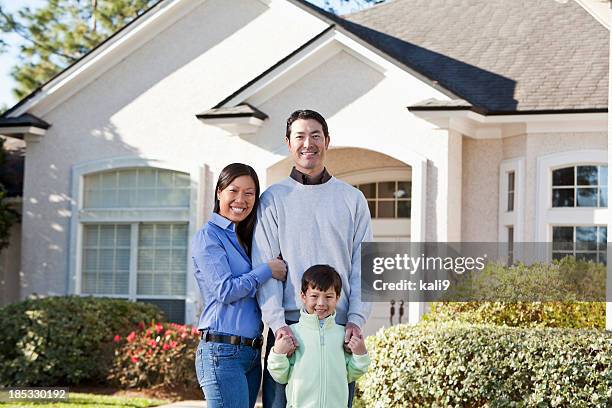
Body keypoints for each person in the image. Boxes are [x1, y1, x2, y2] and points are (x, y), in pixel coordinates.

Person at [252, 110, 373, 408]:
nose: (309, 143)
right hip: (290, 328)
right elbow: (264, 266)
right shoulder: (273, 199)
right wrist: (278, 324)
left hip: (339, 326)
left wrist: (356, 320)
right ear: (288, 143)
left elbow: (365, 267)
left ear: (327, 141)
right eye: (300, 136)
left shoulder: (351, 198)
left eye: (316, 135)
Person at [192, 163, 287, 408]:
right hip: (222, 352)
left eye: (249, 193)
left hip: (252, 353)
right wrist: (267, 269)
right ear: (219, 192)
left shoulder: (245, 238)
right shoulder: (209, 236)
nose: (241, 200)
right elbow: (225, 290)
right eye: (233, 191)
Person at [267, 265, 371, 408]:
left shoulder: (343, 335)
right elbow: (280, 375)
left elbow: (352, 374)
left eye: (328, 297)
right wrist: (278, 353)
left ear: (337, 298)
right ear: (303, 296)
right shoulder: (293, 334)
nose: (321, 303)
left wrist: (360, 354)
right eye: (314, 296)